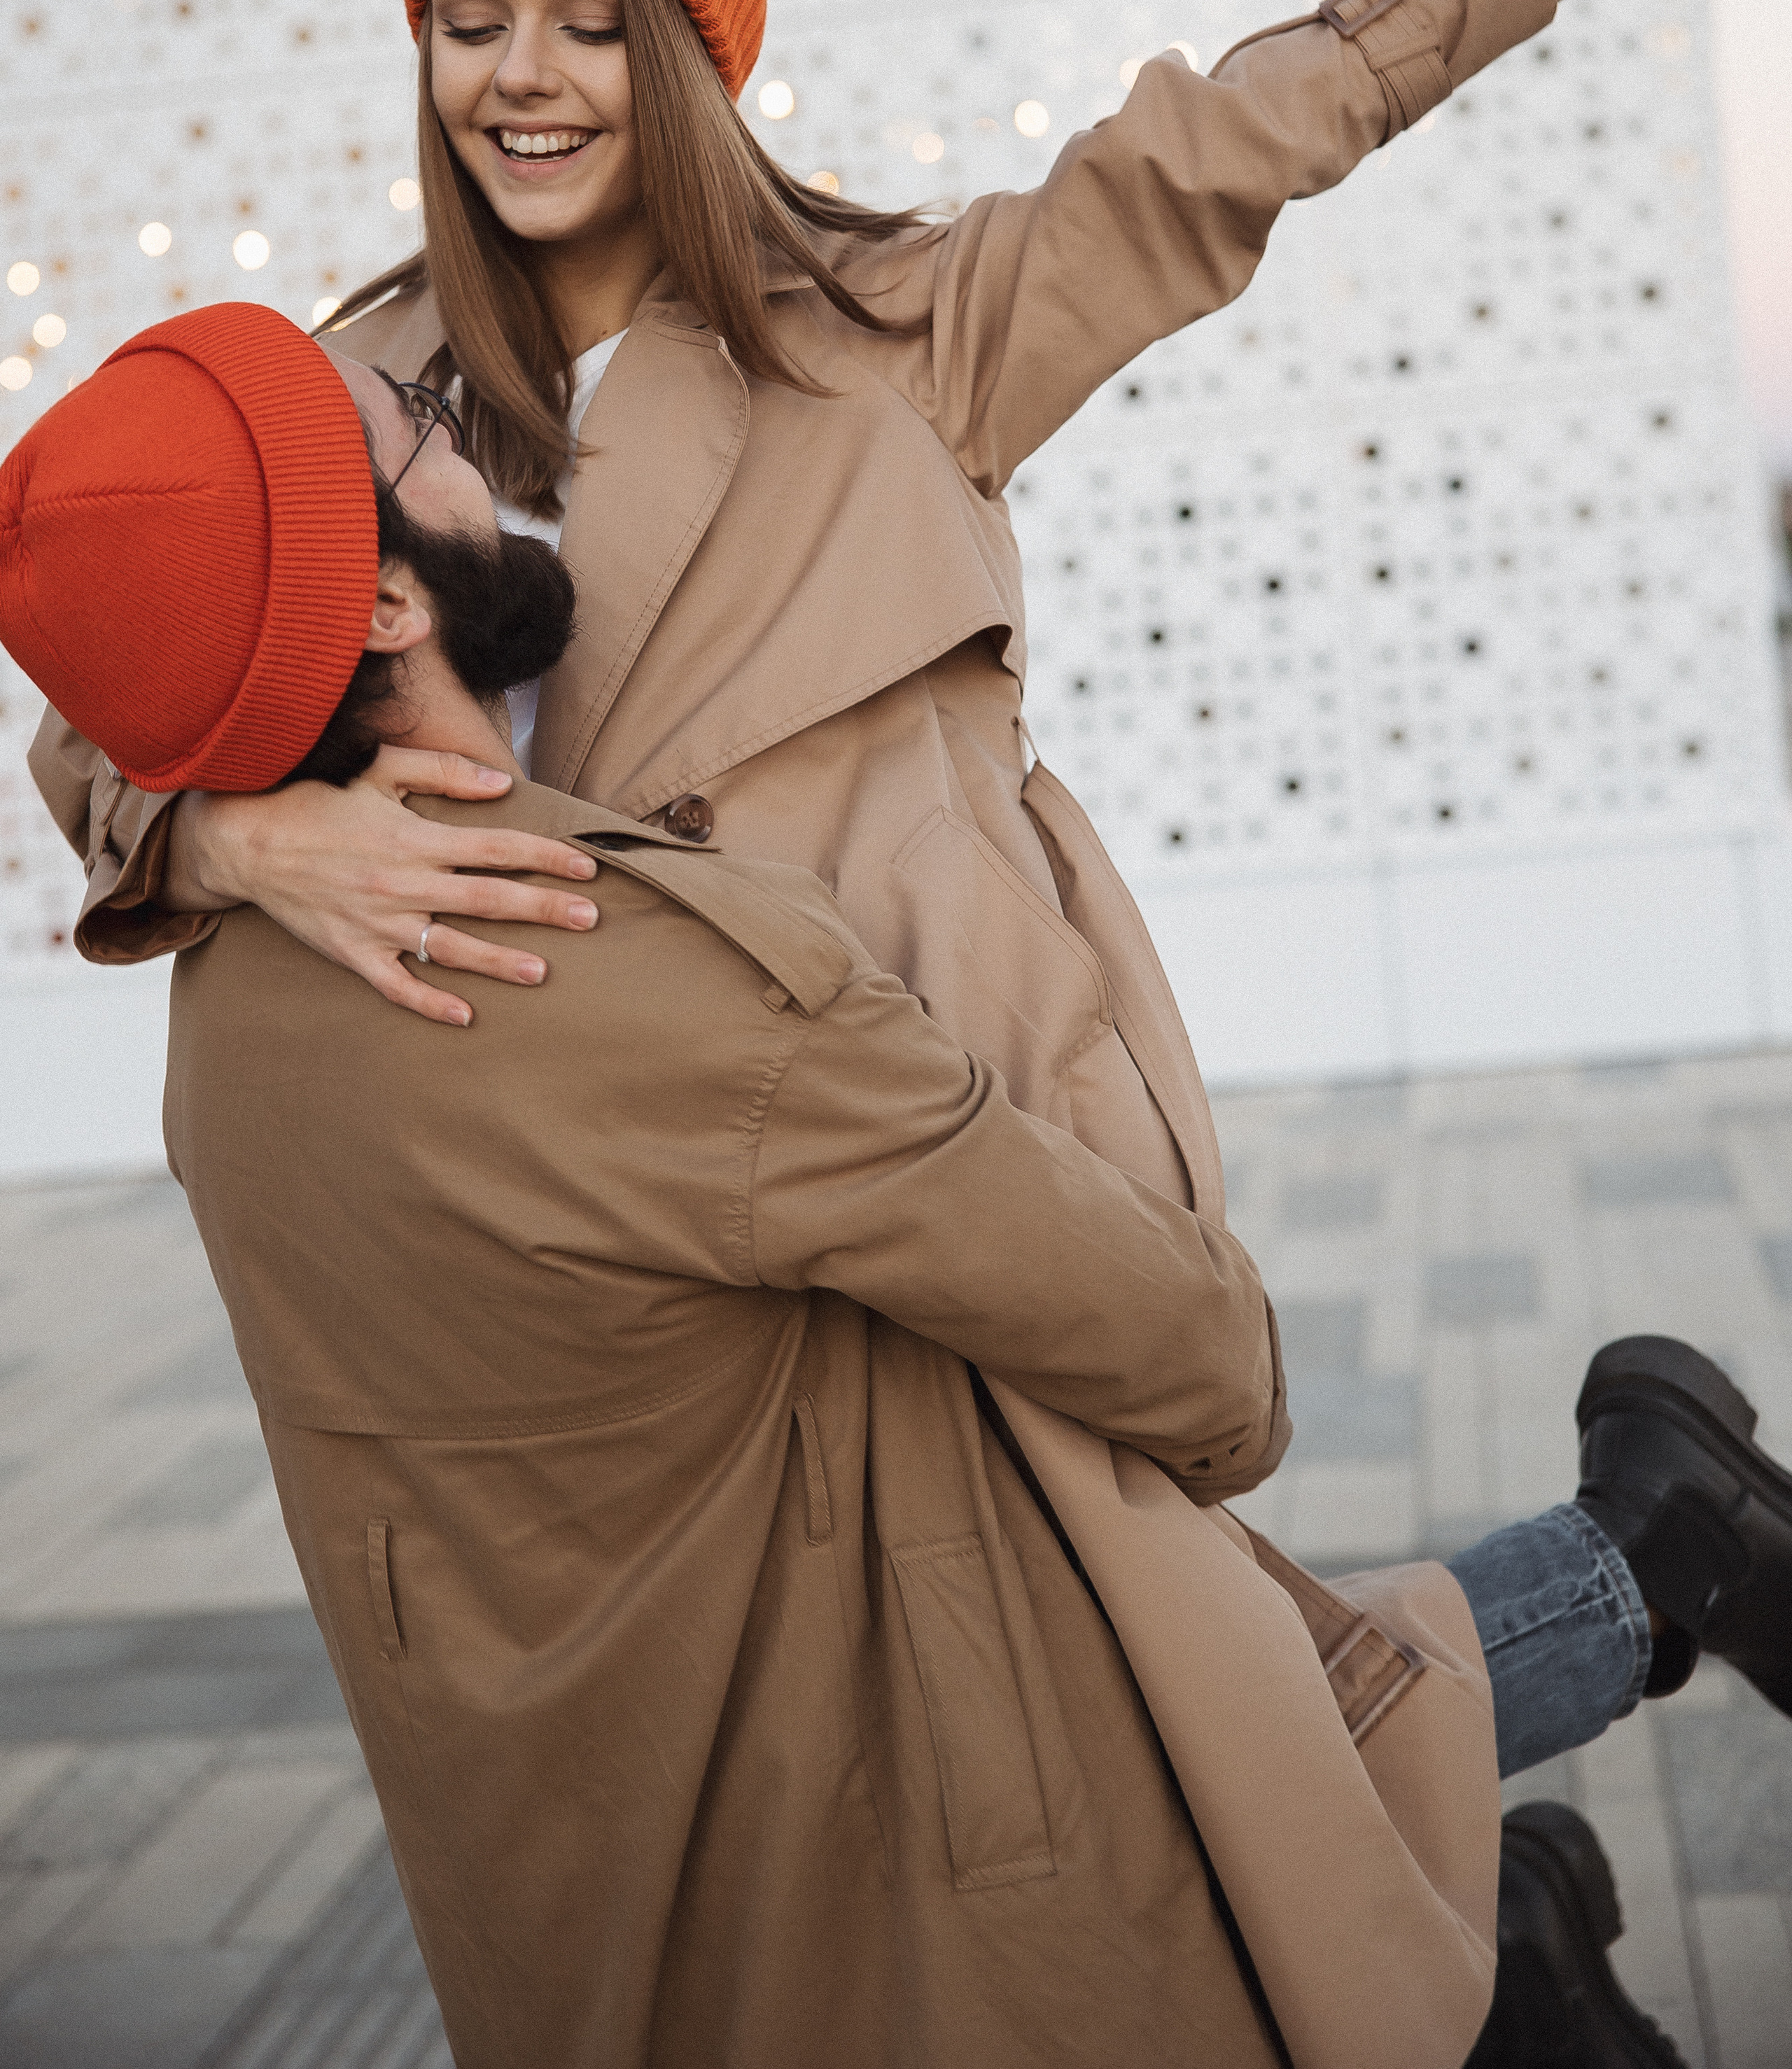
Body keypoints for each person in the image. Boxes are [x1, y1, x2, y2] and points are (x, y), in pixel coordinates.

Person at [7, 305, 1791, 2069]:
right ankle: (1635, 1581)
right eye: (418, 422)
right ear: (389, 604)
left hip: (550, 1884)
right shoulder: (650, 984)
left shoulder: (225, 1000)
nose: (460, 431)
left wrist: (212, 830)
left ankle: (1569, 1764)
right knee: (1244, 1805)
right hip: (874, 1827)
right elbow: (1210, 1373)